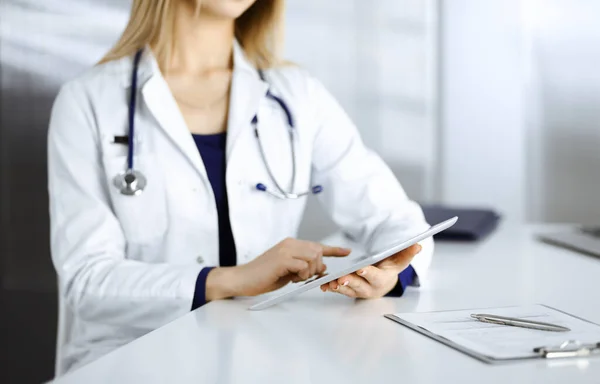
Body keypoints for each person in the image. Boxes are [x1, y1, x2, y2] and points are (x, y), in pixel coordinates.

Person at [47, 0, 433, 375]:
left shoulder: (295, 93)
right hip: (131, 359)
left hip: (259, 353)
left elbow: (395, 218)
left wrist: (391, 274)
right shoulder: (90, 100)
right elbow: (87, 280)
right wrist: (233, 278)